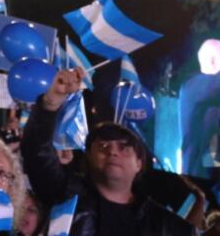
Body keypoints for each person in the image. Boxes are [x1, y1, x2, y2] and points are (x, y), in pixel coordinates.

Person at [22, 67, 192, 236]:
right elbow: (36, 152)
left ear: (139, 163)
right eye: (103, 146)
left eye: (123, 147)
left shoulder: (164, 225)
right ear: (88, 156)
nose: (113, 152)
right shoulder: (64, 193)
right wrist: (50, 102)